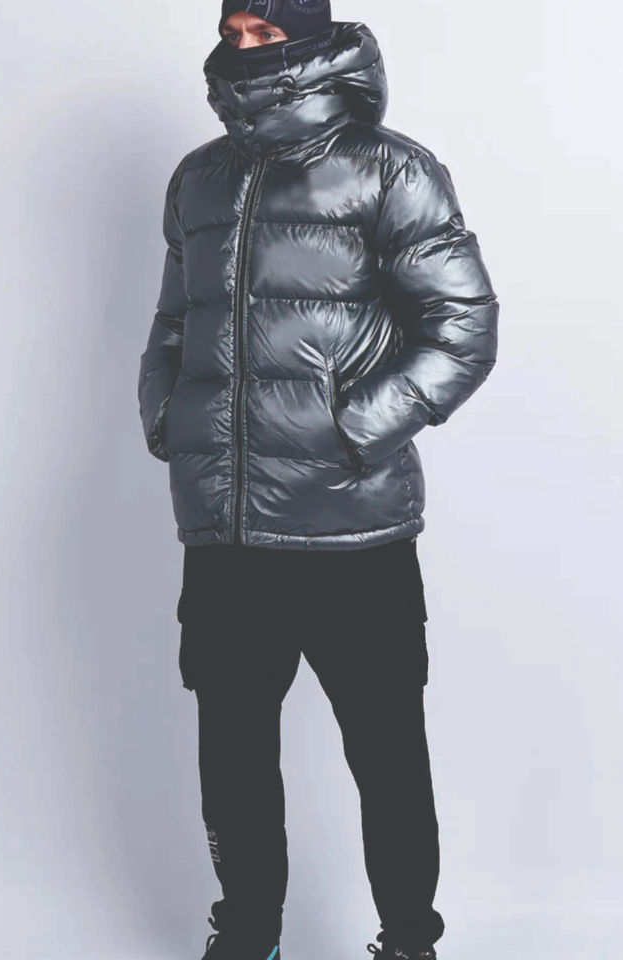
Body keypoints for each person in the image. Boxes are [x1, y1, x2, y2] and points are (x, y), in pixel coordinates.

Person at [137, 1, 499, 957]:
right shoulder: (200, 178)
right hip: (226, 531)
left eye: (266, 31)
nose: (245, 48)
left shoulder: (391, 169)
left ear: (315, 37)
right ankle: (246, 934)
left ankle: (409, 940)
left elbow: (463, 327)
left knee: (384, 751)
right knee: (232, 750)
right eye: (235, 31)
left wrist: (352, 430)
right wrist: (167, 418)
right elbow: (173, 324)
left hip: (352, 529)